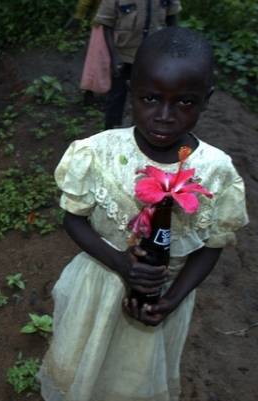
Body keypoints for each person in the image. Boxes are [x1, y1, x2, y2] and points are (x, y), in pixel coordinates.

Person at [38, 27, 249, 401]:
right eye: (150, 98)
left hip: (163, 297)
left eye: (185, 102)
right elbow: (73, 219)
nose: (164, 116)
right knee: (85, 368)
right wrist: (121, 263)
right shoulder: (98, 153)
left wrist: (174, 298)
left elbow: (212, 246)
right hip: (99, 285)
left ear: (206, 99)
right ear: (130, 89)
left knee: (135, 376)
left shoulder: (216, 171)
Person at [95, 0, 181, 129]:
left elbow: (172, 20)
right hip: (124, 56)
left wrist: (171, 50)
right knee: (116, 97)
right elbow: (107, 25)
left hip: (154, 57)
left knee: (149, 96)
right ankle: (110, 130)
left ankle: (140, 129)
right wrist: (114, 57)